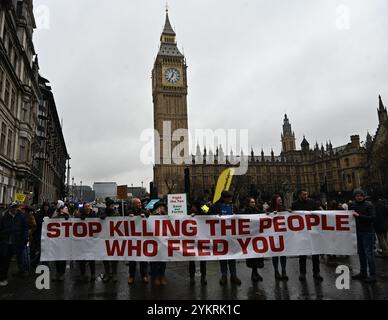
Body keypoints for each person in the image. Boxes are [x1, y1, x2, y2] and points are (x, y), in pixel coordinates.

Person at [209, 191, 242, 286]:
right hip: (221, 236)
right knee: (223, 256)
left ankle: (233, 275)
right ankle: (224, 276)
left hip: (232, 236)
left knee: (232, 256)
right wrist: (207, 205)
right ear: (223, 198)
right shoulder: (216, 206)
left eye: (231, 198)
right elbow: (204, 211)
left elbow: (242, 215)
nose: (230, 199)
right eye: (228, 198)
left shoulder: (234, 207)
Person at [291, 190, 323, 282]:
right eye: (304, 194)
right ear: (299, 195)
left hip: (313, 232)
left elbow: (320, 211)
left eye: (306, 194)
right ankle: (302, 273)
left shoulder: (312, 202)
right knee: (302, 254)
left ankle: (316, 272)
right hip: (302, 233)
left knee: (315, 254)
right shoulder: (295, 204)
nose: (306, 195)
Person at [350, 189, 377, 283]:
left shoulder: (369, 205)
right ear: (354, 197)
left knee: (369, 254)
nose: (359, 197)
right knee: (361, 254)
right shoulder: (352, 205)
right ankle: (363, 273)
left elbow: (373, 218)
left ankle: (373, 275)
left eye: (360, 195)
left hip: (368, 232)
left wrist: (358, 215)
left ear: (363, 196)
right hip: (357, 232)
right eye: (357, 196)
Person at [0, 203, 29, 287]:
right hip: (7, 243)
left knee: (20, 257)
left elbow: (25, 228)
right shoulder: (4, 217)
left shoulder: (21, 216)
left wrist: (25, 239)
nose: (14, 209)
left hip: (18, 242)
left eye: (15, 207)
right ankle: (3, 278)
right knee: (5, 261)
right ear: (9, 208)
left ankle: (22, 271)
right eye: (12, 208)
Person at [127, 198, 150, 285]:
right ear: (134, 204)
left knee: (143, 259)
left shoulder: (143, 210)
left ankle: (144, 275)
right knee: (132, 259)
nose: (140, 204)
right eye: (138, 203)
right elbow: (125, 214)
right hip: (132, 238)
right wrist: (129, 215)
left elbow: (148, 214)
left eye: (140, 203)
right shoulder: (129, 211)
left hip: (142, 238)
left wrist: (145, 214)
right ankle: (131, 276)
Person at [242, 197, 265, 282]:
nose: (253, 204)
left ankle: (255, 273)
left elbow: (264, 214)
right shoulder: (244, 211)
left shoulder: (257, 210)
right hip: (249, 237)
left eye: (254, 202)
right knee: (252, 256)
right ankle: (254, 274)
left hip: (257, 237)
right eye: (251, 202)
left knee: (257, 255)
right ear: (248, 203)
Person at [268, 194, 289, 281]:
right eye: (279, 200)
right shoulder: (270, 209)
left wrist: (289, 212)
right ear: (275, 201)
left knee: (283, 254)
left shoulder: (283, 209)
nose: (281, 201)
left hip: (282, 234)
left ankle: (284, 271)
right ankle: (276, 271)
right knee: (275, 254)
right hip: (273, 234)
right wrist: (270, 214)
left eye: (281, 199)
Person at [74, 203, 97, 282]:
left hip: (91, 240)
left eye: (88, 206)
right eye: (86, 206)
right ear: (84, 208)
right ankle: (83, 274)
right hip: (83, 240)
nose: (87, 208)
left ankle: (93, 274)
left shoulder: (94, 214)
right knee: (82, 258)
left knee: (91, 258)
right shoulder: (80, 215)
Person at [100, 197, 120, 283]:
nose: (113, 207)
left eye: (113, 205)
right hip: (105, 238)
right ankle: (107, 273)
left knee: (115, 257)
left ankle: (114, 273)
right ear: (108, 205)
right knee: (105, 257)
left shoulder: (116, 213)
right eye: (111, 205)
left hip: (114, 238)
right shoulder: (102, 212)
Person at [188, 200, 207, 286]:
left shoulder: (202, 204)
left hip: (201, 236)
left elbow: (208, 212)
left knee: (202, 258)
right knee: (192, 258)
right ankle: (193, 277)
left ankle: (203, 276)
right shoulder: (190, 204)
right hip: (192, 236)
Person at [51, 200, 70, 281]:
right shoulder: (56, 216)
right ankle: (58, 273)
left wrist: (66, 217)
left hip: (64, 241)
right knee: (57, 258)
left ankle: (61, 273)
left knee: (62, 258)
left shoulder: (67, 217)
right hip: (57, 240)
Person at [150, 202, 168, 286]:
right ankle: (156, 277)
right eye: (162, 207)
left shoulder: (166, 215)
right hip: (155, 241)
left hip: (163, 241)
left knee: (163, 260)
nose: (164, 208)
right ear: (159, 208)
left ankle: (162, 276)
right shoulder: (152, 216)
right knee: (155, 261)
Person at [31, 202, 52, 268]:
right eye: (45, 206)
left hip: (47, 234)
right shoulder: (39, 213)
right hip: (39, 234)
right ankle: (35, 262)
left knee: (45, 249)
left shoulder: (50, 213)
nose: (46, 207)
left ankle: (44, 263)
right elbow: (37, 222)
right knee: (40, 249)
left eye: (47, 206)